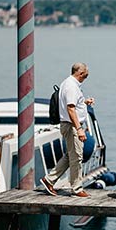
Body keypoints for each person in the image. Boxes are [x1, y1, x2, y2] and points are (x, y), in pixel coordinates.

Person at [40, 63, 95, 197]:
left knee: (70, 155)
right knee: (77, 157)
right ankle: (77, 188)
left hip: (70, 125)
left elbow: (72, 104)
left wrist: (84, 102)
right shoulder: (71, 86)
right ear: (80, 73)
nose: (86, 77)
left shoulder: (69, 83)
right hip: (71, 126)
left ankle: (49, 180)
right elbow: (70, 109)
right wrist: (79, 128)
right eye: (86, 75)